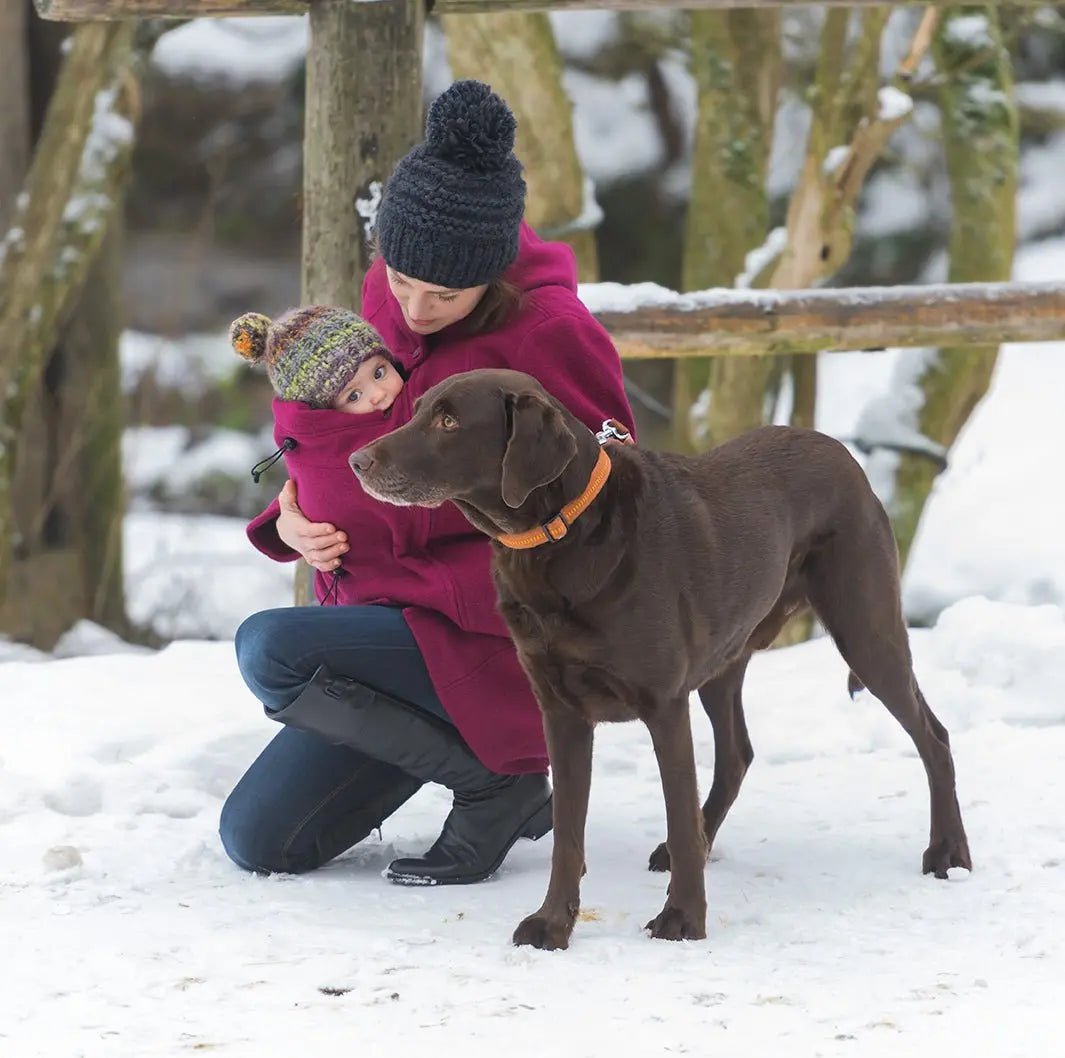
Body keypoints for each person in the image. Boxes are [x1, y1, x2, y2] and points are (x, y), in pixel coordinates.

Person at [220, 79, 636, 886]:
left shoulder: (548, 332)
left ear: (491, 274)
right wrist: (291, 520)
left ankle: (495, 784)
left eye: (442, 295)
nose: (411, 309)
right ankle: (490, 777)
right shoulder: (393, 289)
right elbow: (346, 429)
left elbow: (616, 481)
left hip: (487, 621)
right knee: (263, 841)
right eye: (401, 281)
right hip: (381, 618)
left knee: (269, 648)